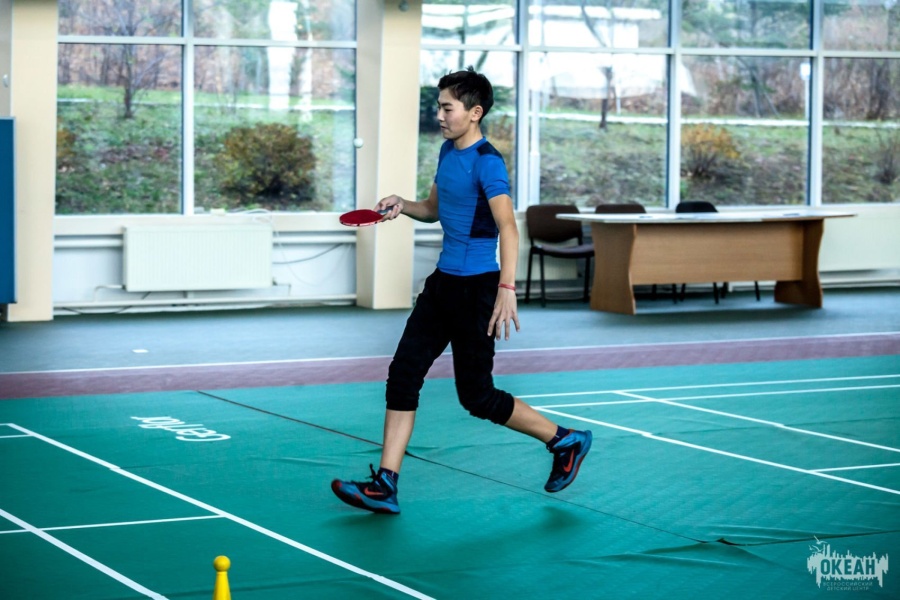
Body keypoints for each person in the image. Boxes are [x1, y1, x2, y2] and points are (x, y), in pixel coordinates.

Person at [331, 68, 592, 515]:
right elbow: (434, 209)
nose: (439, 115)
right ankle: (386, 483)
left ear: (474, 112)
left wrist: (506, 288)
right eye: (438, 106)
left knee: (477, 396)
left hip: (478, 289)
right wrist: (402, 205)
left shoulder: (488, 162)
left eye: (447, 108)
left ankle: (564, 440)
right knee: (403, 374)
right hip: (443, 286)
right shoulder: (447, 152)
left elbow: (509, 227)